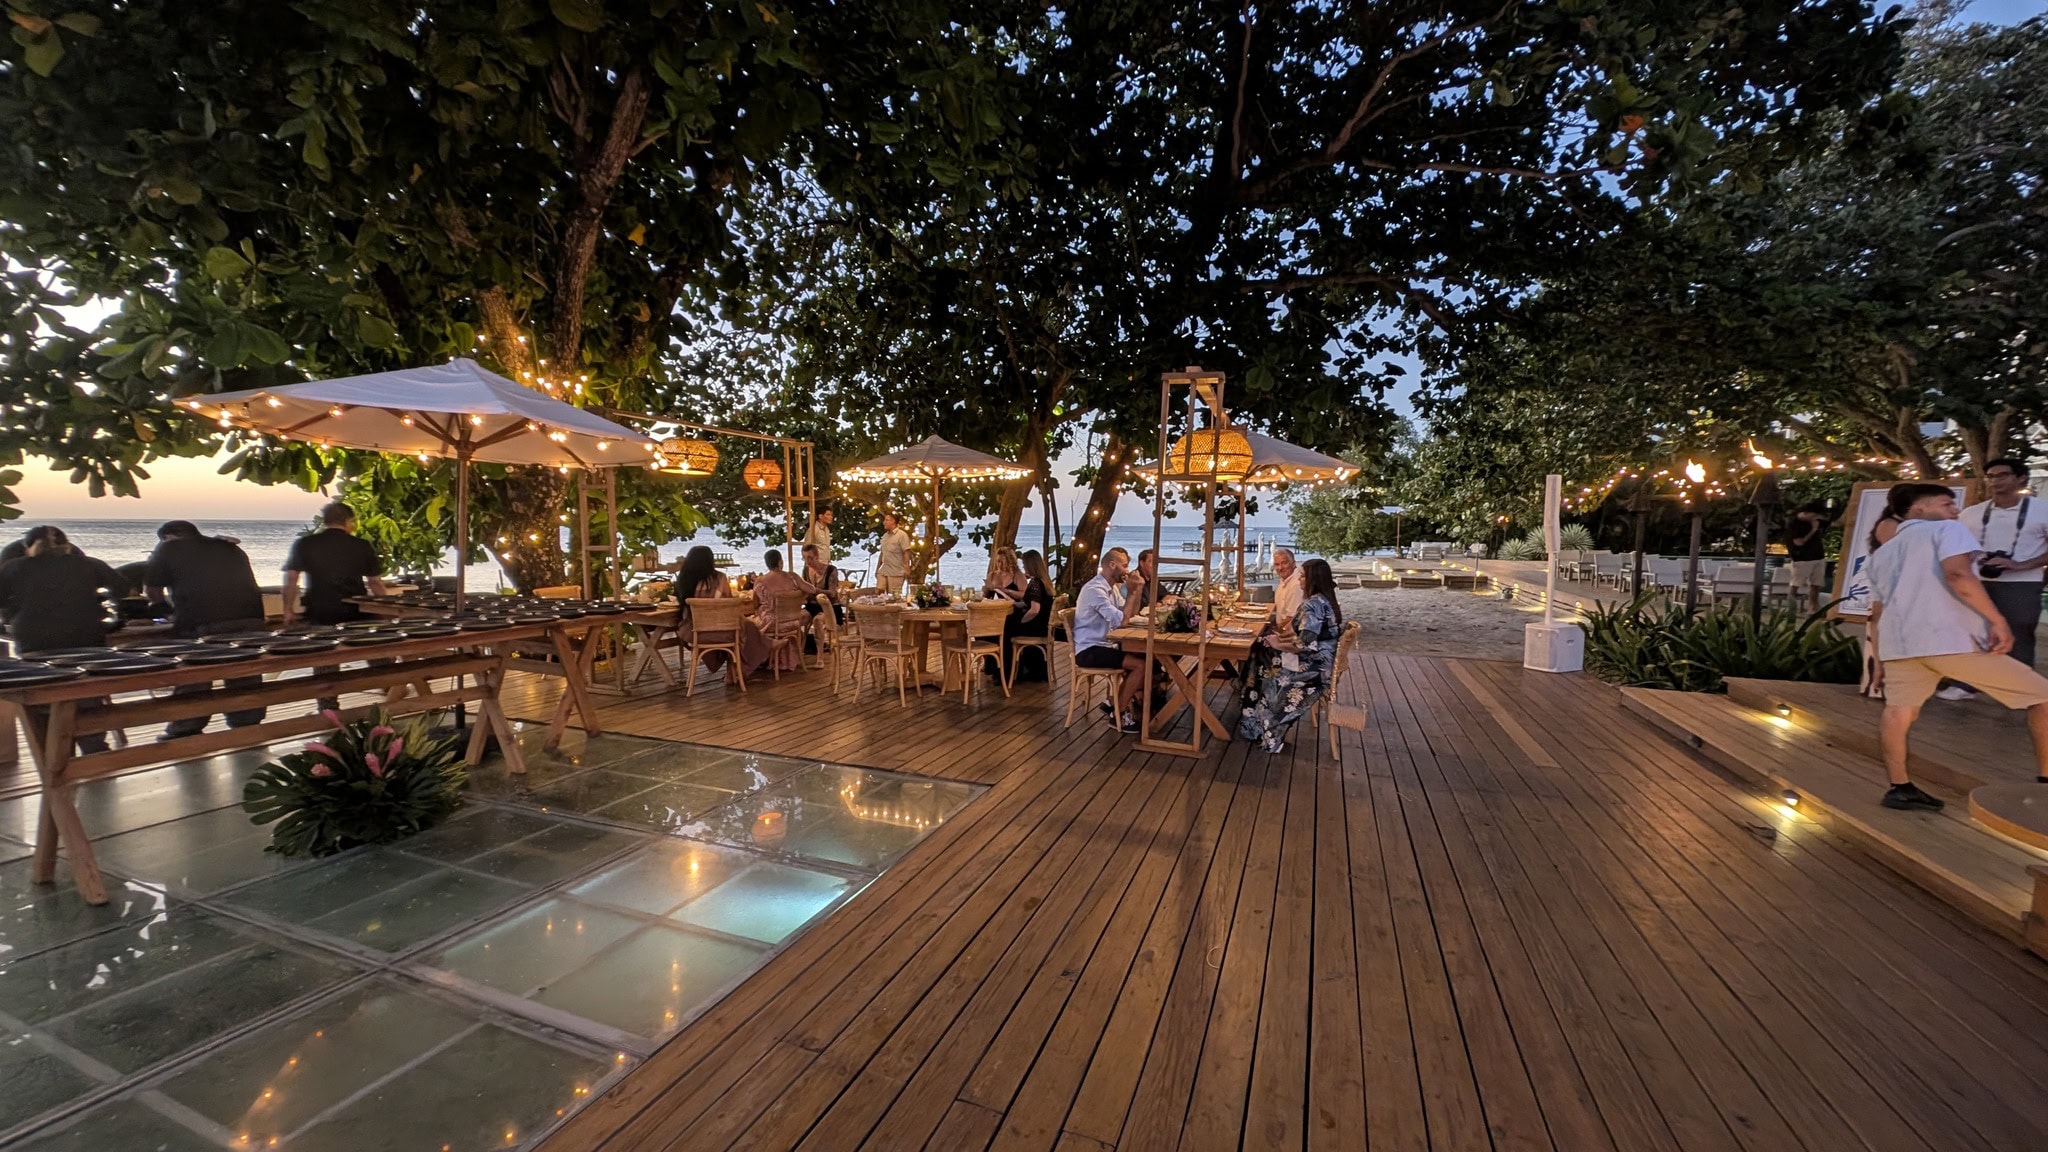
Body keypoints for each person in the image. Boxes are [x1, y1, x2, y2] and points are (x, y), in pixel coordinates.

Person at [1865, 483, 2048, 810]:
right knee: (2043, 697)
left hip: (1900, 643)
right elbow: (1959, 575)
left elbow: (1877, 614)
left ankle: (1900, 786)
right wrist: (1998, 619)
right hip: (1947, 638)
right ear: (1919, 509)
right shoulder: (1947, 530)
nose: (1955, 510)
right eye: (1946, 503)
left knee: (1899, 711)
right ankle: (2047, 783)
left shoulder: (1883, 554)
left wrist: (1879, 661)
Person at [0, 528, 129, 754]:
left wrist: (13, 612)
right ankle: (95, 748)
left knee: (44, 694)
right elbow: (123, 588)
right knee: (87, 691)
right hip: (86, 634)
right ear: (67, 544)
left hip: (35, 639)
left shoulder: (14, 567)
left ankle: (58, 754)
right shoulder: (89, 564)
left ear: (27, 546)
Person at [145, 521, 268, 739]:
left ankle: (185, 729)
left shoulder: (168, 547)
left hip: (204, 621)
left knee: (194, 675)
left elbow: (152, 588)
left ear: (168, 537)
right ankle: (247, 724)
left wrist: (163, 611)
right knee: (244, 674)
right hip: (250, 618)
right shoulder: (230, 547)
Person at [282, 502, 389, 712]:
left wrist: (287, 610)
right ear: (349, 521)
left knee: (325, 660)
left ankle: (328, 707)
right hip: (357, 611)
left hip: (320, 610)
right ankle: (392, 686)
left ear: (325, 520)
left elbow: (291, 579)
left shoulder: (305, 544)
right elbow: (375, 582)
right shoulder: (361, 545)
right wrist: (385, 607)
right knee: (377, 652)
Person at [1238, 557, 1343, 753]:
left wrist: (1278, 642)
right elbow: (1307, 638)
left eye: (1302, 576)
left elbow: (1305, 643)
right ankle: (1253, 716)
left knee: (1262, 663)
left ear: (1312, 579)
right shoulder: (1324, 600)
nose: (1299, 580)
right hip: (1320, 662)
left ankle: (1260, 723)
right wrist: (1278, 642)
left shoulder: (1313, 605)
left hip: (1313, 669)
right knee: (1261, 653)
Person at [1964, 458, 2046, 669]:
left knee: (2019, 632)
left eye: (2002, 475)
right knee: (1971, 630)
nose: (1994, 481)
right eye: (1990, 476)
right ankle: (1966, 683)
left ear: (2021, 479)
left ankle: (2023, 687)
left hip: (2023, 582)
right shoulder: (1971, 513)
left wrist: (2020, 565)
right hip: (1975, 581)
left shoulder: (2042, 510)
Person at [1071, 547, 1149, 731]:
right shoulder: (1095, 590)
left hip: (1105, 644)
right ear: (1112, 565)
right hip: (1089, 649)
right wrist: (1130, 592)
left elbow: (1130, 614)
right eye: (1124, 566)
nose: (1128, 570)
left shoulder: (1111, 587)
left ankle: (1113, 701)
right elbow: (1122, 621)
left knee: (1145, 658)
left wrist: (1136, 591)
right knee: (1140, 665)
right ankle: (1118, 715)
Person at [994, 548, 1056, 683]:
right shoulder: (1044, 582)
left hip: (1035, 627)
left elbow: (1034, 610)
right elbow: (1032, 604)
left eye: (1025, 565)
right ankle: (1019, 669)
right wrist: (1015, 604)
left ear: (1030, 565)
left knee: (1004, 630)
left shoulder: (1034, 584)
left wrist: (1021, 621)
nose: (1023, 568)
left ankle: (1007, 673)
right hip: (1043, 625)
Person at [748, 549, 806, 674]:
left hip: (772, 623)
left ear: (767, 564)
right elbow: (809, 589)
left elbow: (754, 604)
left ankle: (758, 659)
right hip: (793, 622)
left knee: (747, 625)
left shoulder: (761, 581)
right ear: (780, 562)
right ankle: (778, 658)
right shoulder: (792, 578)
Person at [1787, 504, 1830, 613]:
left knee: (1816, 584)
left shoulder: (1816, 521)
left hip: (1818, 557)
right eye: (1813, 515)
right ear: (1805, 513)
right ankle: (1790, 609)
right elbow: (1799, 542)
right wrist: (1813, 530)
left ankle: (1813, 609)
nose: (1815, 518)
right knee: (1796, 584)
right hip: (1802, 558)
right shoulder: (1794, 524)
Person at [876, 511, 912, 596]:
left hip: (896, 570)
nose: (884, 522)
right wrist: (877, 568)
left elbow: (906, 551)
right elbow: (882, 553)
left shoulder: (901, 535)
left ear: (893, 521)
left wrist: (907, 568)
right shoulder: (885, 536)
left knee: (893, 595)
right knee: (879, 591)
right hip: (884, 569)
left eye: (887, 520)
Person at [1271, 547, 1304, 621]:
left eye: (1284, 563)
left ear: (1293, 564)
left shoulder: (1297, 585)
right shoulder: (1284, 581)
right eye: (1277, 564)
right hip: (1281, 628)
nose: (1280, 568)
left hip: (1289, 631)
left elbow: (1292, 619)